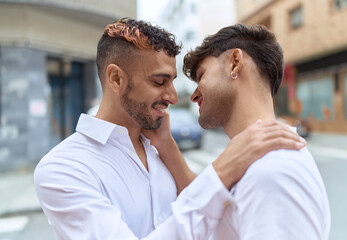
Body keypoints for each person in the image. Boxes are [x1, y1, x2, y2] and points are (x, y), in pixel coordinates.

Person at [34, 18, 306, 240]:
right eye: (159, 82)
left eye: (173, 81)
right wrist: (222, 169)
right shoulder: (63, 169)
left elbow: (212, 215)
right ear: (116, 78)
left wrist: (168, 147)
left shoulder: (159, 147)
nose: (173, 97)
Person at [179, 24, 331, 239]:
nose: (194, 95)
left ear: (235, 63)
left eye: (201, 75)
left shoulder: (271, 171)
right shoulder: (252, 161)